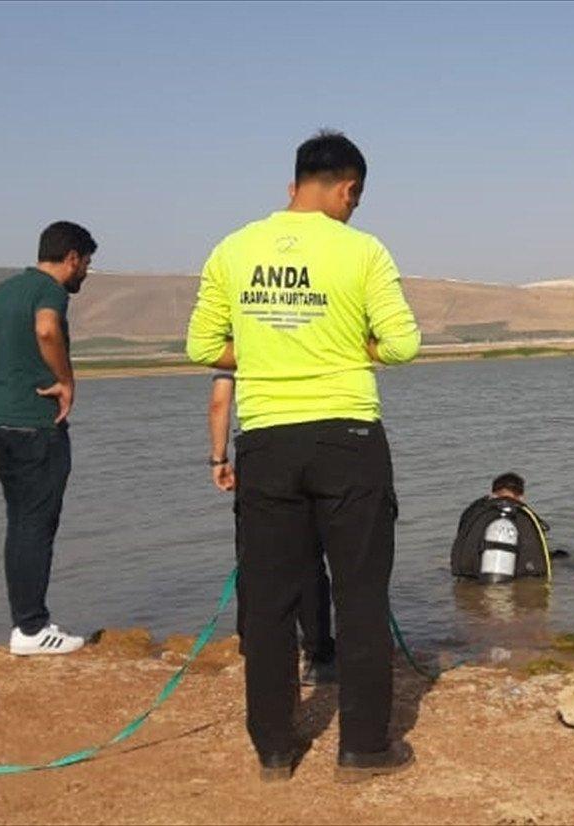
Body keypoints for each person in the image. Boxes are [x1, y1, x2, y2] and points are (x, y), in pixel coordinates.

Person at [186, 131, 420, 782]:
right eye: (355, 199)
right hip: (347, 437)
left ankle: (273, 748)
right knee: (361, 593)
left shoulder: (233, 249)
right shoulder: (363, 250)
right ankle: (363, 748)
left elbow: (202, 344)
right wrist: (347, 345)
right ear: (348, 189)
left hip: (264, 441)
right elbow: (402, 345)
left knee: (267, 600)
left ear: (294, 183)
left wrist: (266, 350)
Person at [0, 221, 96, 656]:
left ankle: (25, 625)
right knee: (36, 525)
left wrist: (0, 364)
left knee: (20, 524)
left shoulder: (10, 288)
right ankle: (32, 629)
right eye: (86, 264)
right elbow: (47, 330)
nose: (86, 273)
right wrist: (66, 380)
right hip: (36, 427)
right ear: (71, 258)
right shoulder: (49, 292)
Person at [208, 370, 335, 685]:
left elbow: (220, 401)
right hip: (320, 447)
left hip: (260, 450)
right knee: (309, 557)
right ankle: (319, 652)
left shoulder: (242, 334)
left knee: (253, 555)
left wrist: (218, 458)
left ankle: (253, 645)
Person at [450, 472, 551, 581]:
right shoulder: (525, 516)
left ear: (493, 493)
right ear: (521, 497)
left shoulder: (473, 512)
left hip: (469, 580)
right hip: (513, 584)